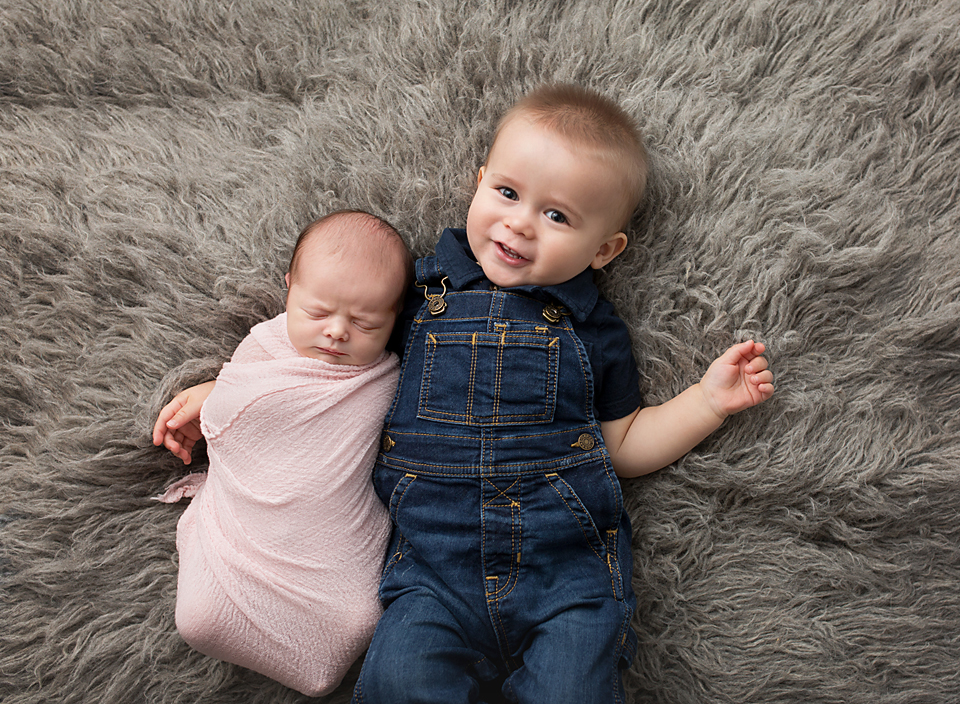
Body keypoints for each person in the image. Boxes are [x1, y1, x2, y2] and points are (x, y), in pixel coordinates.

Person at [159, 85, 775, 702]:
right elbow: (334, 353)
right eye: (507, 193)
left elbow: (624, 445)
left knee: (573, 690)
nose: (519, 223)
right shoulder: (424, 289)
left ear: (605, 250)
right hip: (432, 569)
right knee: (401, 682)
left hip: (565, 571)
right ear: (479, 182)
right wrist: (227, 389)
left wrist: (707, 401)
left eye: (557, 216)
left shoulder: (594, 329)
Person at [151, 209, 413, 697]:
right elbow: (241, 398)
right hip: (252, 525)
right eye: (318, 312)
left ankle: (319, 657)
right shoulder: (264, 347)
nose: (337, 332)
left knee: (358, 616)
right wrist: (214, 390)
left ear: (394, 318)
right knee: (199, 619)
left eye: (366, 322)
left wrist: (218, 399)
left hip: (329, 540)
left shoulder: (384, 378)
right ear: (289, 288)